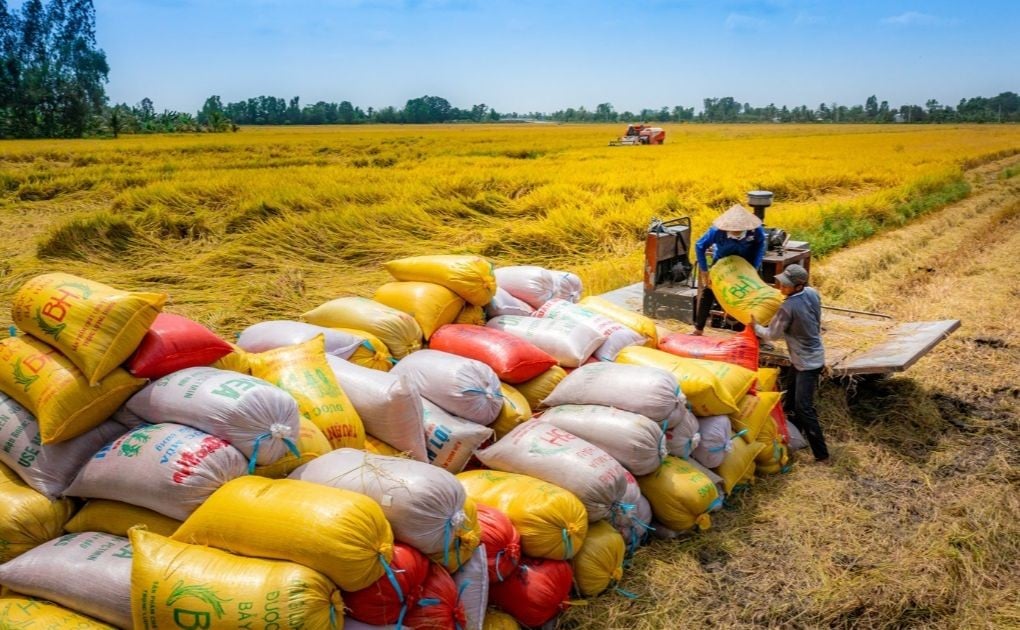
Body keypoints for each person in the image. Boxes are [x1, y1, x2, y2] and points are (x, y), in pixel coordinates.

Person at [750, 263, 830, 463]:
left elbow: (771, 335)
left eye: (786, 285)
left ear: (798, 286)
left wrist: (755, 326)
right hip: (810, 355)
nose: (781, 287)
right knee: (791, 400)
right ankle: (794, 437)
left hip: (806, 363)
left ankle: (822, 455)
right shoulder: (812, 293)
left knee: (804, 407)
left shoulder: (788, 307)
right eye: (782, 283)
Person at [693, 204, 767, 335]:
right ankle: (699, 329)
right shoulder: (716, 232)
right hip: (723, 263)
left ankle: (754, 332)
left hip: (746, 264)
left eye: (739, 230)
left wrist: (755, 266)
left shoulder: (755, 231)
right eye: (733, 230)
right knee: (709, 291)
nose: (736, 232)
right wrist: (704, 270)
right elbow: (699, 246)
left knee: (753, 294)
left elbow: (761, 243)